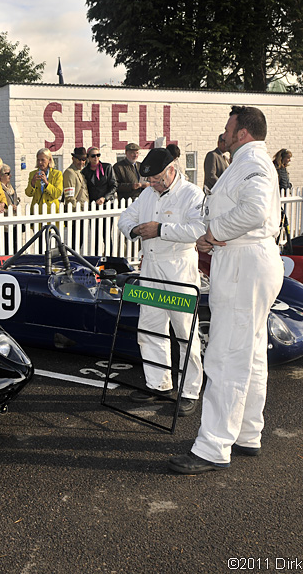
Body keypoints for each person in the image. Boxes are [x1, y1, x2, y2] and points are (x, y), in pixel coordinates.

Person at [170, 106, 283, 474]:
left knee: (225, 356)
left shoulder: (253, 162)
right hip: (246, 260)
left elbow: (254, 211)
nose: (224, 133)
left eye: (228, 128)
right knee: (249, 353)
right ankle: (248, 432)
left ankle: (214, 446)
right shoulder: (245, 161)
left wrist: (212, 234)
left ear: (243, 133)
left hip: (243, 262)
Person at [117, 148, 205, 416]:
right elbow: (125, 217)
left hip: (179, 270)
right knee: (150, 327)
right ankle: (159, 384)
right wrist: (133, 229)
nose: (152, 184)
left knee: (184, 331)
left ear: (171, 169)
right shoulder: (147, 194)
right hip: (151, 269)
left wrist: (160, 230)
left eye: (156, 178)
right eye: (150, 180)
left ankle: (189, 390)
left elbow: (199, 229)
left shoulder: (191, 194)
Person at [24, 147, 64, 214]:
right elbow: (28, 193)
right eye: (38, 160)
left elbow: (57, 194)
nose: (40, 162)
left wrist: (47, 183)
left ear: (49, 160)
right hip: (37, 211)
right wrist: (33, 182)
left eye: (43, 160)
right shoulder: (33, 174)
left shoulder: (57, 174)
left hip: (52, 211)